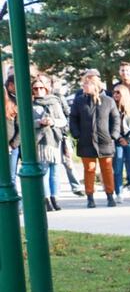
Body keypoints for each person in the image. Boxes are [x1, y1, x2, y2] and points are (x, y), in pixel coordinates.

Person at [69, 71, 120, 208]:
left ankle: (110, 195)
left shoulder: (108, 101)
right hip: (86, 141)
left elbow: (115, 118)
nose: (83, 86)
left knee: (107, 169)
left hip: (105, 141)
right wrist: (76, 133)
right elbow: (73, 118)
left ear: (95, 85)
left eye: (86, 83)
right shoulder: (79, 101)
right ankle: (90, 197)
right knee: (89, 169)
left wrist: (114, 135)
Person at [30, 73, 68, 212]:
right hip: (40, 142)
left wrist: (52, 122)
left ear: (46, 89)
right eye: (35, 88)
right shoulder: (30, 104)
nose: (38, 90)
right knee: (44, 172)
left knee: (55, 172)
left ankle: (54, 197)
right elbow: (25, 122)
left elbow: (63, 120)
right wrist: (39, 122)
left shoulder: (54, 102)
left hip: (54, 140)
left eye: (41, 87)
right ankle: (46, 200)